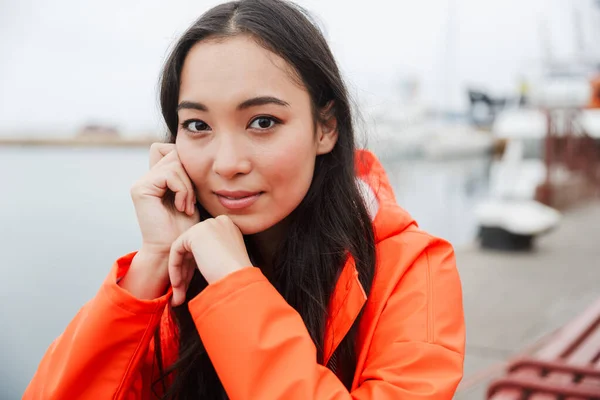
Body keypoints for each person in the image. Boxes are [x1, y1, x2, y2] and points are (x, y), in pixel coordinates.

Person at [24, 0, 465, 398]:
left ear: (325, 128)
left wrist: (234, 284)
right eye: (198, 125)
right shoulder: (171, 276)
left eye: (263, 121)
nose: (228, 163)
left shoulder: (411, 269)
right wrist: (152, 262)